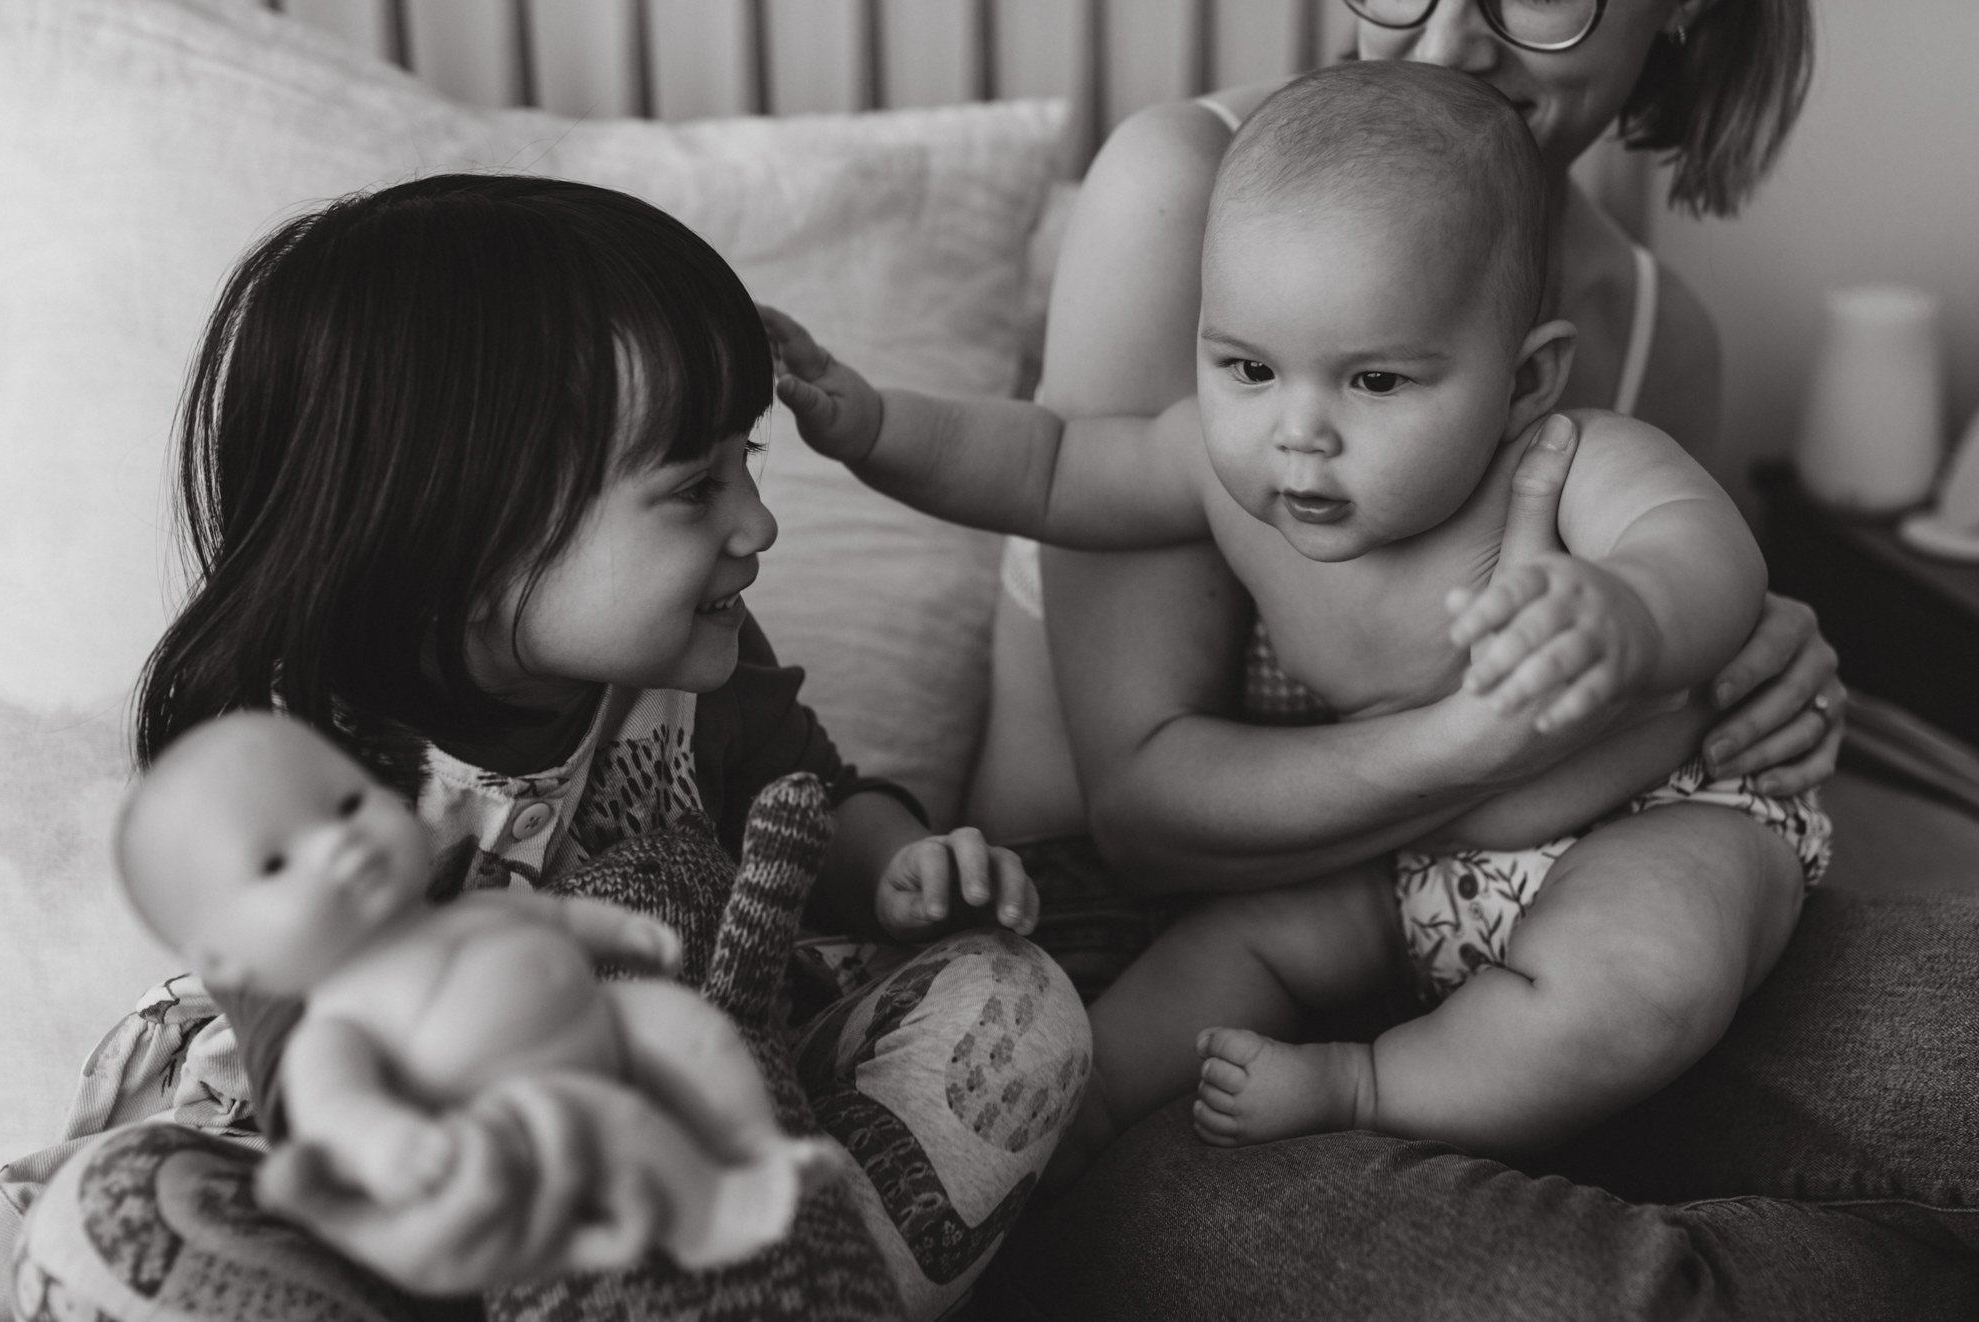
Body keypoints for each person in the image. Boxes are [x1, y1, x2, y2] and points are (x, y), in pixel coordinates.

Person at [946, 0, 1979, 1317]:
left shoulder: (1655, 333)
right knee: (1596, 1293)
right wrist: (1497, 735)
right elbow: (1147, 819)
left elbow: (1657, 597)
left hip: (1534, 950)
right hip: (1184, 990)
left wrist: (1736, 643)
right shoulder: (1189, 187)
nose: (1450, 40)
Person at [12, 174, 1088, 1322]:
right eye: (695, 487)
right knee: (108, 1222)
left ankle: (788, 1288)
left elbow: (812, 800)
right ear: (463, 530)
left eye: (748, 460)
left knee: (1015, 997)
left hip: (691, 1135)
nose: (756, 522)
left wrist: (899, 867)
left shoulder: (697, 670)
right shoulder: (290, 754)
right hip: (385, 1186)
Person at [768, 56, 1828, 1168]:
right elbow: (1049, 465)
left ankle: (1370, 1087)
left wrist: (1629, 613)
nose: (1298, 433)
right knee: (1231, 952)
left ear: (1523, 384)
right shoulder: (1223, 471)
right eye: (1247, 366)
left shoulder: (1569, 460)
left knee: (1640, 981)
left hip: (1642, 825)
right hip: (1403, 861)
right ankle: (1071, 1122)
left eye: (1375, 382)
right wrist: (876, 428)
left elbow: (1703, 548)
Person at [114, 710, 840, 1268]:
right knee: (608, 1120)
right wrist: (388, 1142)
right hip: (513, 1112)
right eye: (276, 864)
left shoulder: (462, 914)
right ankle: (709, 1215)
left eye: (348, 805)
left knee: (690, 1028)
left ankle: (752, 1146)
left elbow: (550, 919)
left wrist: (618, 932)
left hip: (605, 1021)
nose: (340, 842)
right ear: (227, 960)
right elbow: (338, 1109)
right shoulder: (336, 1025)